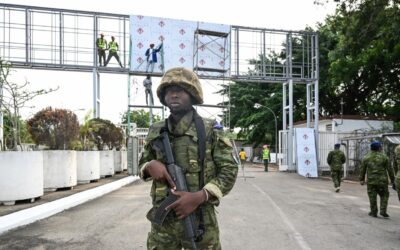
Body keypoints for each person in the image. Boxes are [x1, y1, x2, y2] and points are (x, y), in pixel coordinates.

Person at [138, 67, 238, 249]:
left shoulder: (210, 129)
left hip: (200, 220)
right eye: (169, 90)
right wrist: (150, 165)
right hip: (164, 223)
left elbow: (229, 170)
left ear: (192, 94)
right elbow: (141, 165)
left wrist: (200, 196)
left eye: (180, 90)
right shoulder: (156, 129)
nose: (174, 94)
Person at [360, 141, 395, 218]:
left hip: (371, 181)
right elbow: (390, 170)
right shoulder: (384, 157)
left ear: (371, 148)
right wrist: (393, 180)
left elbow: (362, 169)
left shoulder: (366, 157)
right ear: (379, 148)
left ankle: (373, 212)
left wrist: (361, 179)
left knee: (372, 196)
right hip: (382, 181)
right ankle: (383, 210)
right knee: (384, 195)